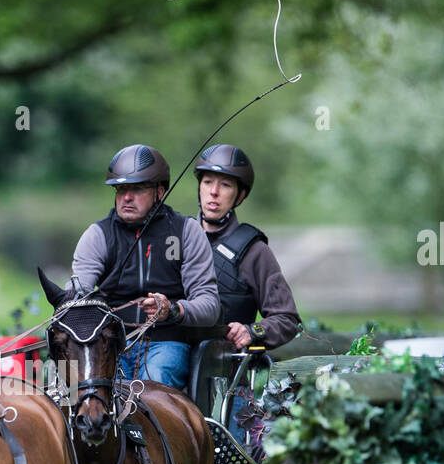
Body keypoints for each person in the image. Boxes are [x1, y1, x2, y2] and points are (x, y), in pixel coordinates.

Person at [68, 144, 219, 391]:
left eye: (137, 189)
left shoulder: (187, 231)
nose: (126, 197)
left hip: (166, 342)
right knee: (87, 392)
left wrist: (173, 310)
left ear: (159, 191)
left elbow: (209, 305)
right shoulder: (98, 235)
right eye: (121, 189)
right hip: (110, 343)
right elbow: (78, 289)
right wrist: (72, 300)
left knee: (155, 382)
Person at [193, 144, 301, 353]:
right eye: (207, 182)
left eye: (225, 185)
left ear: (240, 196)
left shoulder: (255, 251)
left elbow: (288, 320)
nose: (213, 192)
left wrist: (252, 331)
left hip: (223, 369)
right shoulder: (175, 239)